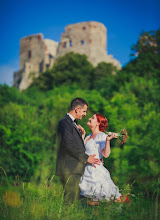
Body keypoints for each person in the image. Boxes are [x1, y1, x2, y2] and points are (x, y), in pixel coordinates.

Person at [56, 98, 100, 205]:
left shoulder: (72, 124)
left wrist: (81, 136)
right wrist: (86, 158)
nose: (85, 114)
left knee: (78, 202)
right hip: (69, 168)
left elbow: (73, 143)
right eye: (84, 111)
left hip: (75, 168)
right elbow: (68, 145)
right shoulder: (64, 123)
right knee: (69, 202)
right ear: (77, 109)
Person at [79, 113, 123, 205]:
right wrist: (83, 136)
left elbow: (106, 154)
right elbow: (82, 151)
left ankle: (119, 202)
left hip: (95, 171)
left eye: (92, 118)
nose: (89, 118)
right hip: (86, 169)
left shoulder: (102, 136)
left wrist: (107, 140)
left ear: (98, 123)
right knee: (90, 202)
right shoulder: (88, 136)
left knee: (95, 200)